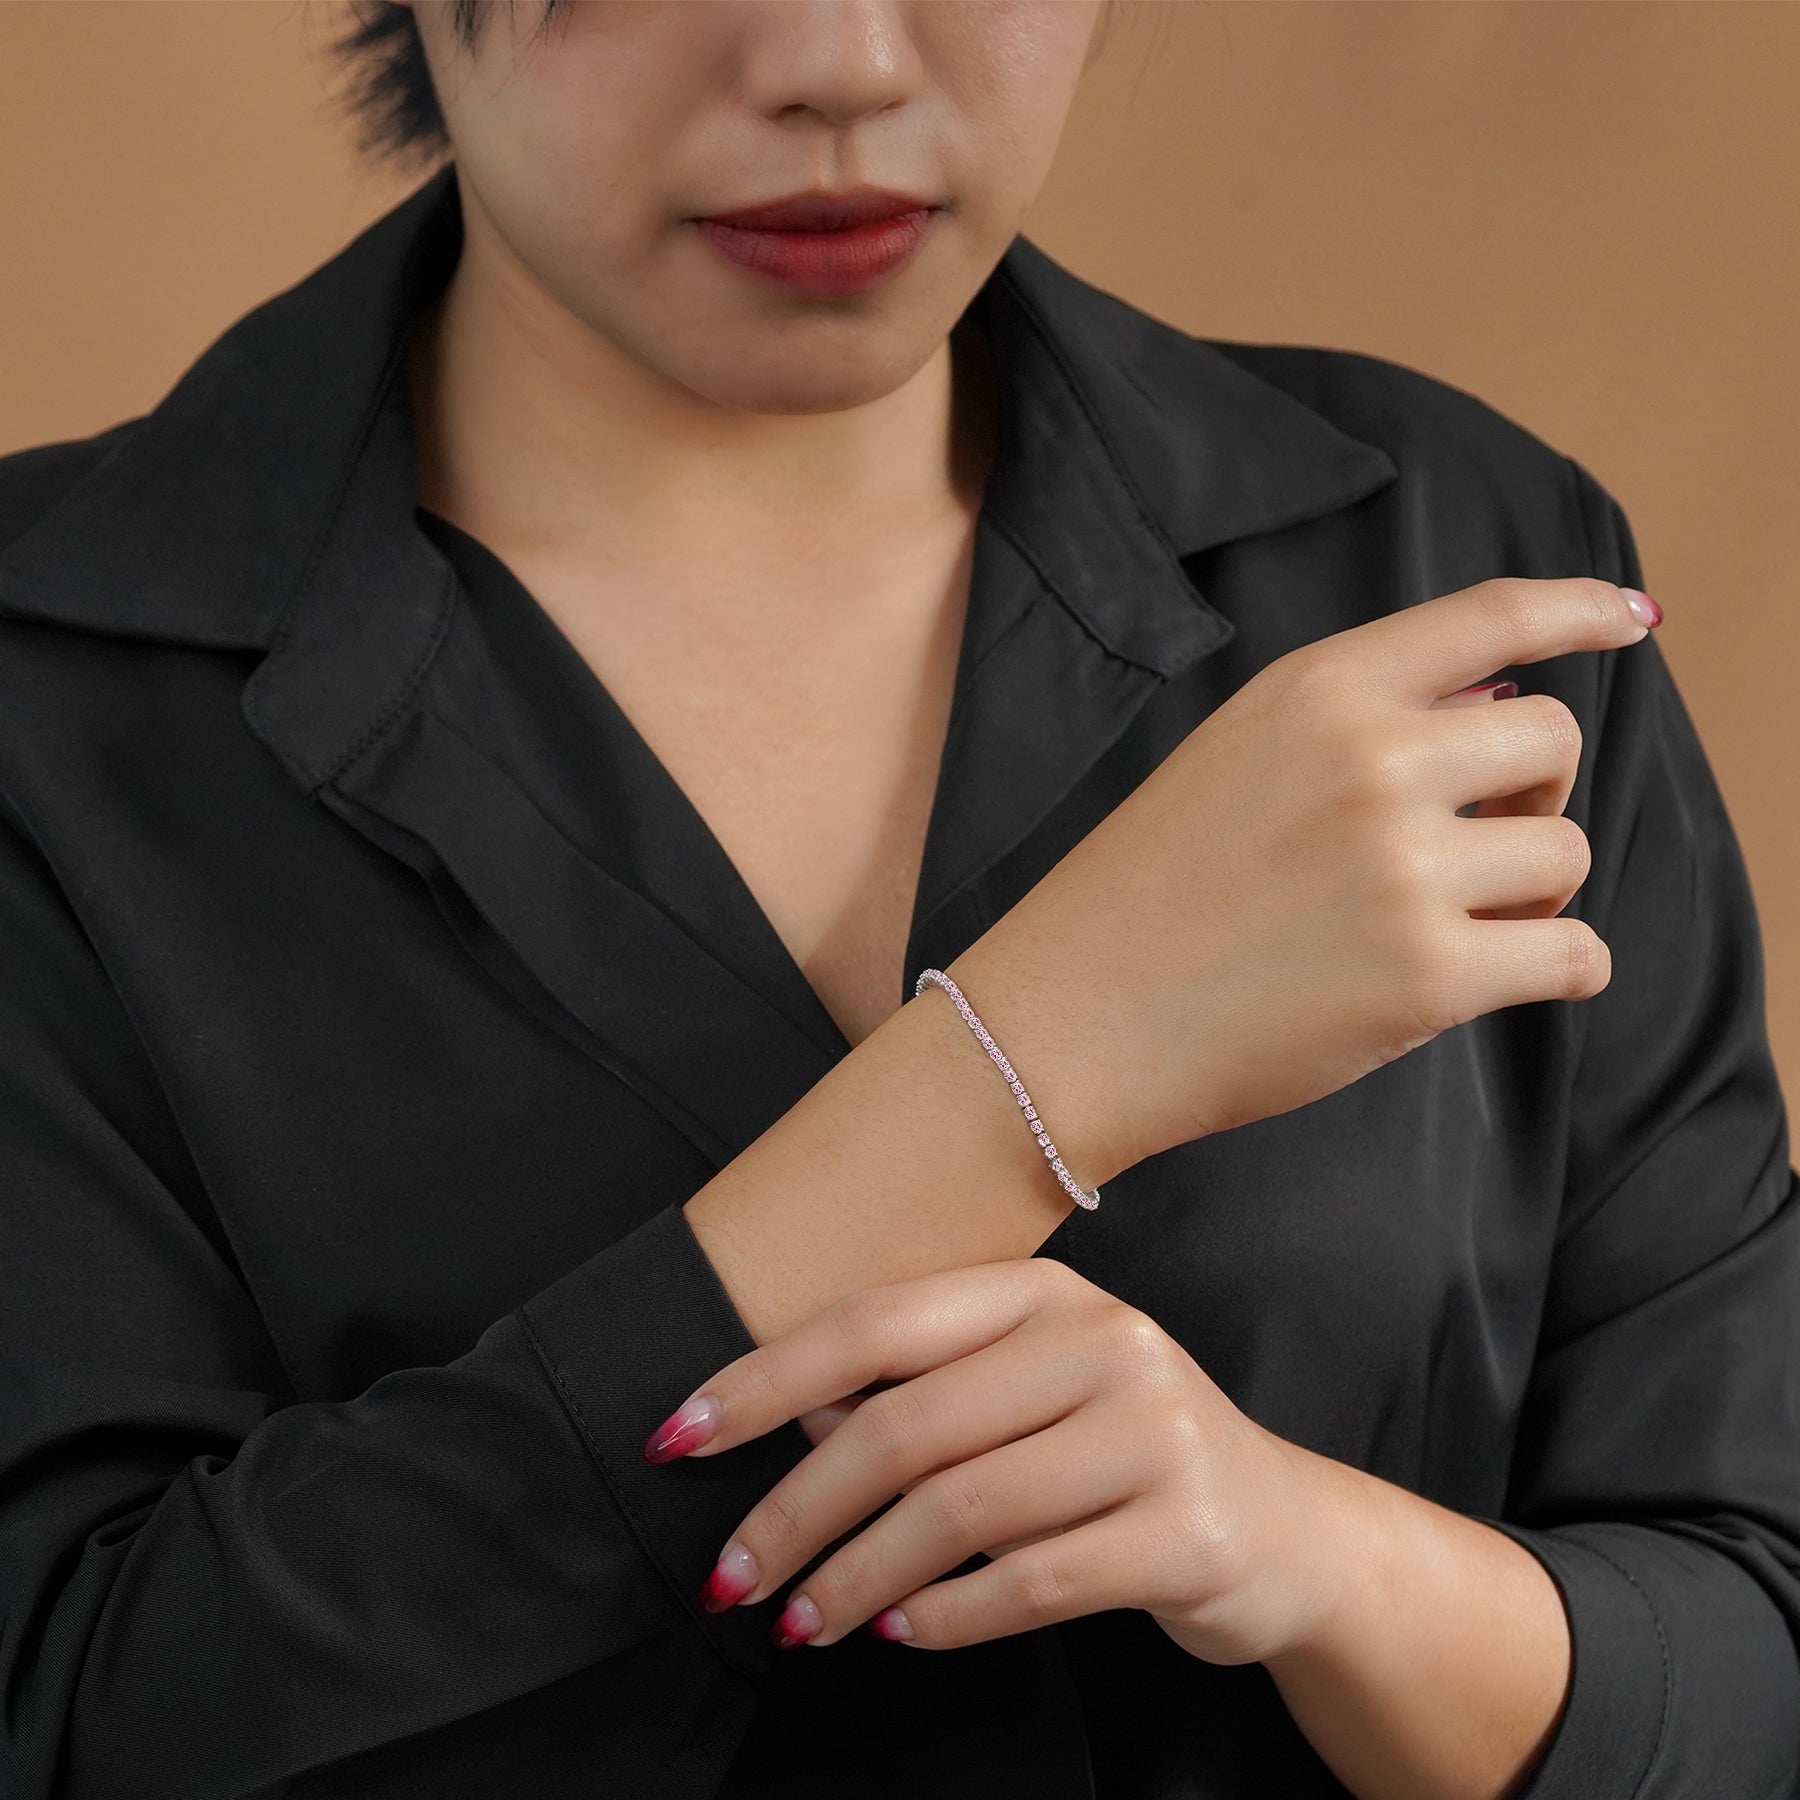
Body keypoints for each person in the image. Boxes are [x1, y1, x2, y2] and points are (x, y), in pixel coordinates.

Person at [0, 2, 1793, 1795]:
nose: (844, 63)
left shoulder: (1447, 568)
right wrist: (1019, 1080)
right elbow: (74, 1718)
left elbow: (1750, 1639)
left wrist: (1314, 1559)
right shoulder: (46, 709)